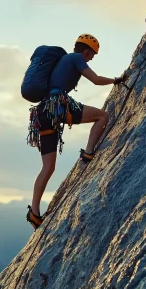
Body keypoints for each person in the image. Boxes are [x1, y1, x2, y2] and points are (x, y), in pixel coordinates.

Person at [26, 34, 127, 230]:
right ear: (86, 51)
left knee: (48, 168)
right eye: (91, 55)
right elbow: (96, 80)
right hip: (58, 106)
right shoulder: (76, 58)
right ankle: (89, 152)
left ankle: (35, 213)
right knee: (102, 117)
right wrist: (117, 80)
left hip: (42, 114)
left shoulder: (64, 61)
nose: (90, 59)